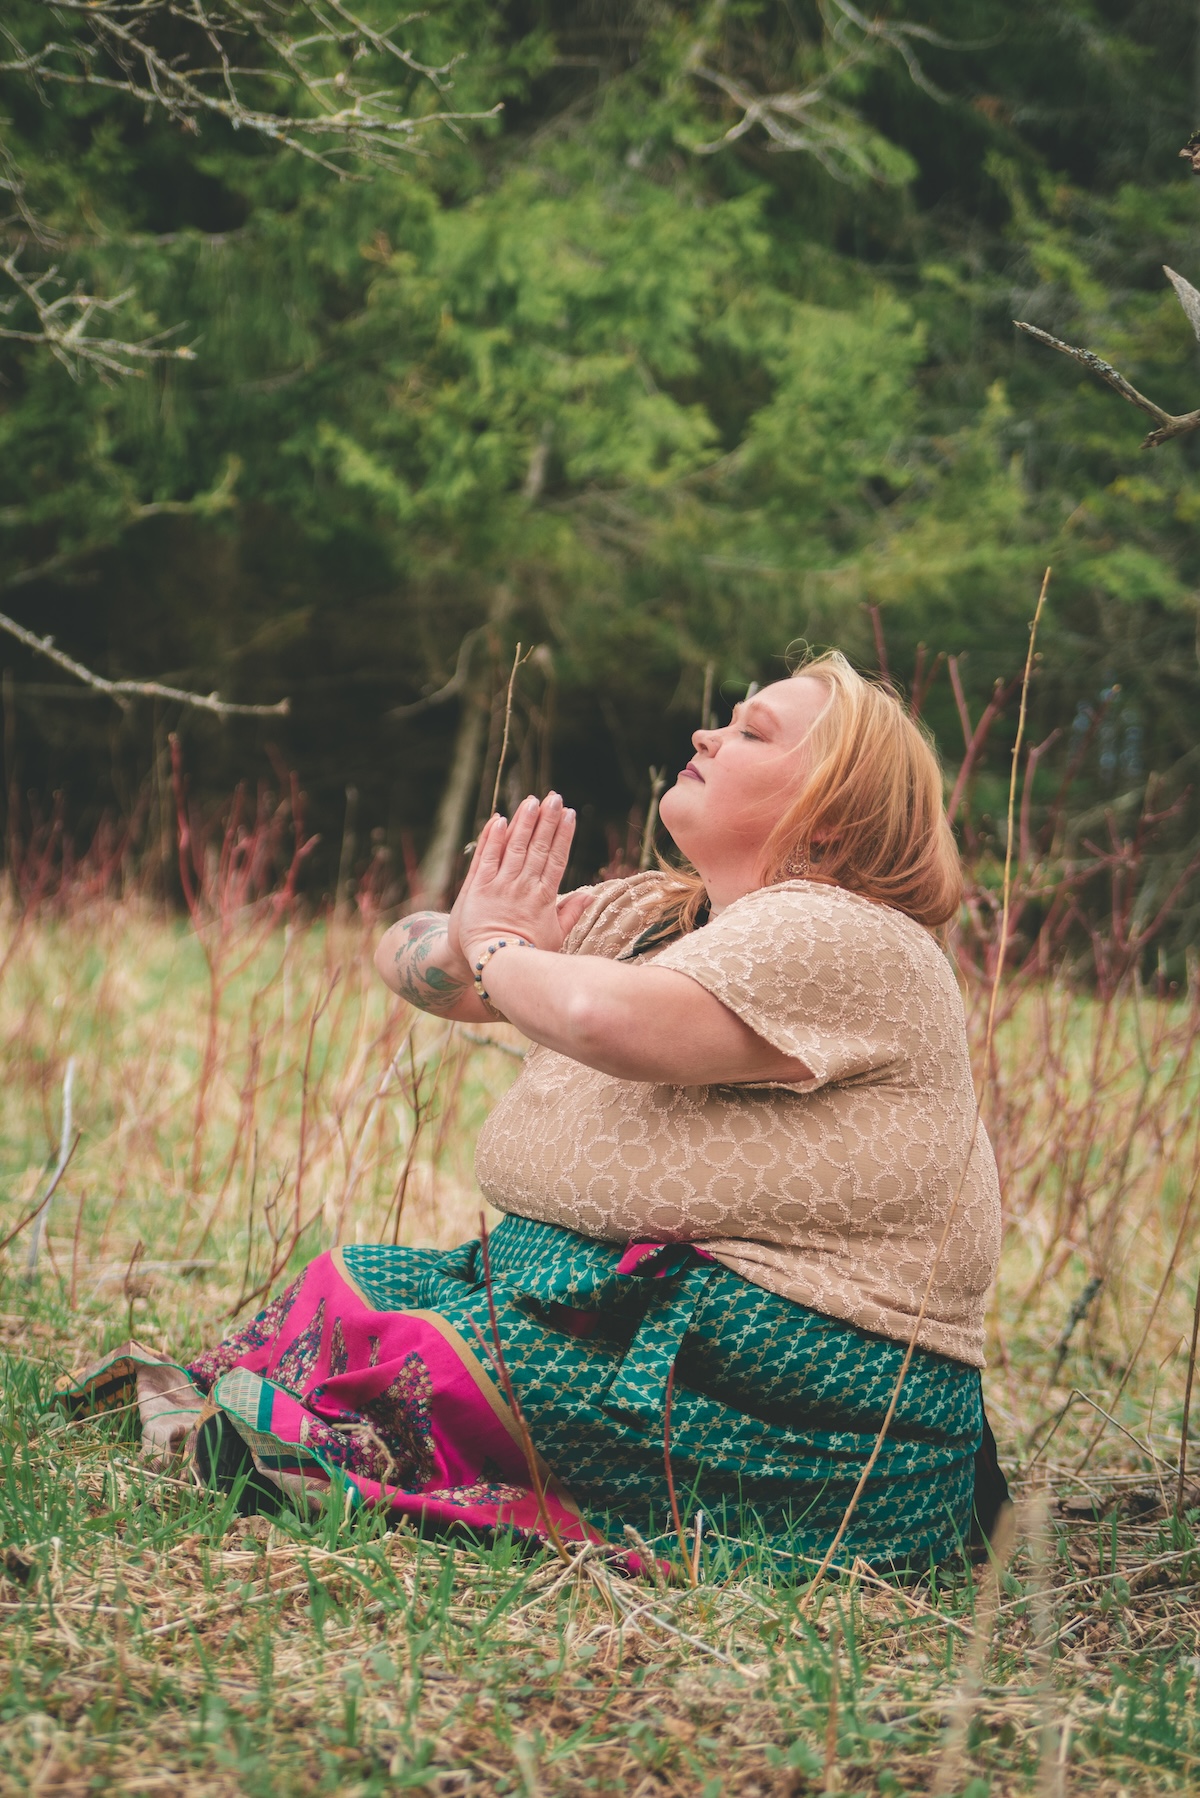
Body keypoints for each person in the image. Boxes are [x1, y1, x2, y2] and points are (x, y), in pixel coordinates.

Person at [62, 651, 1005, 1572]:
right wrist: (486, 940)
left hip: (794, 1378)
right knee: (352, 1284)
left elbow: (591, 1011)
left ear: (832, 820)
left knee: (440, 1364)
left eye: (750, 731)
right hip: (602, 1303)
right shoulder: (664, 915)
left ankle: (315, 1452)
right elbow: (415, 957)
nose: (705, 734)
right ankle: (293, 1428)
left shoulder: (852, 936)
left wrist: (507, 948)